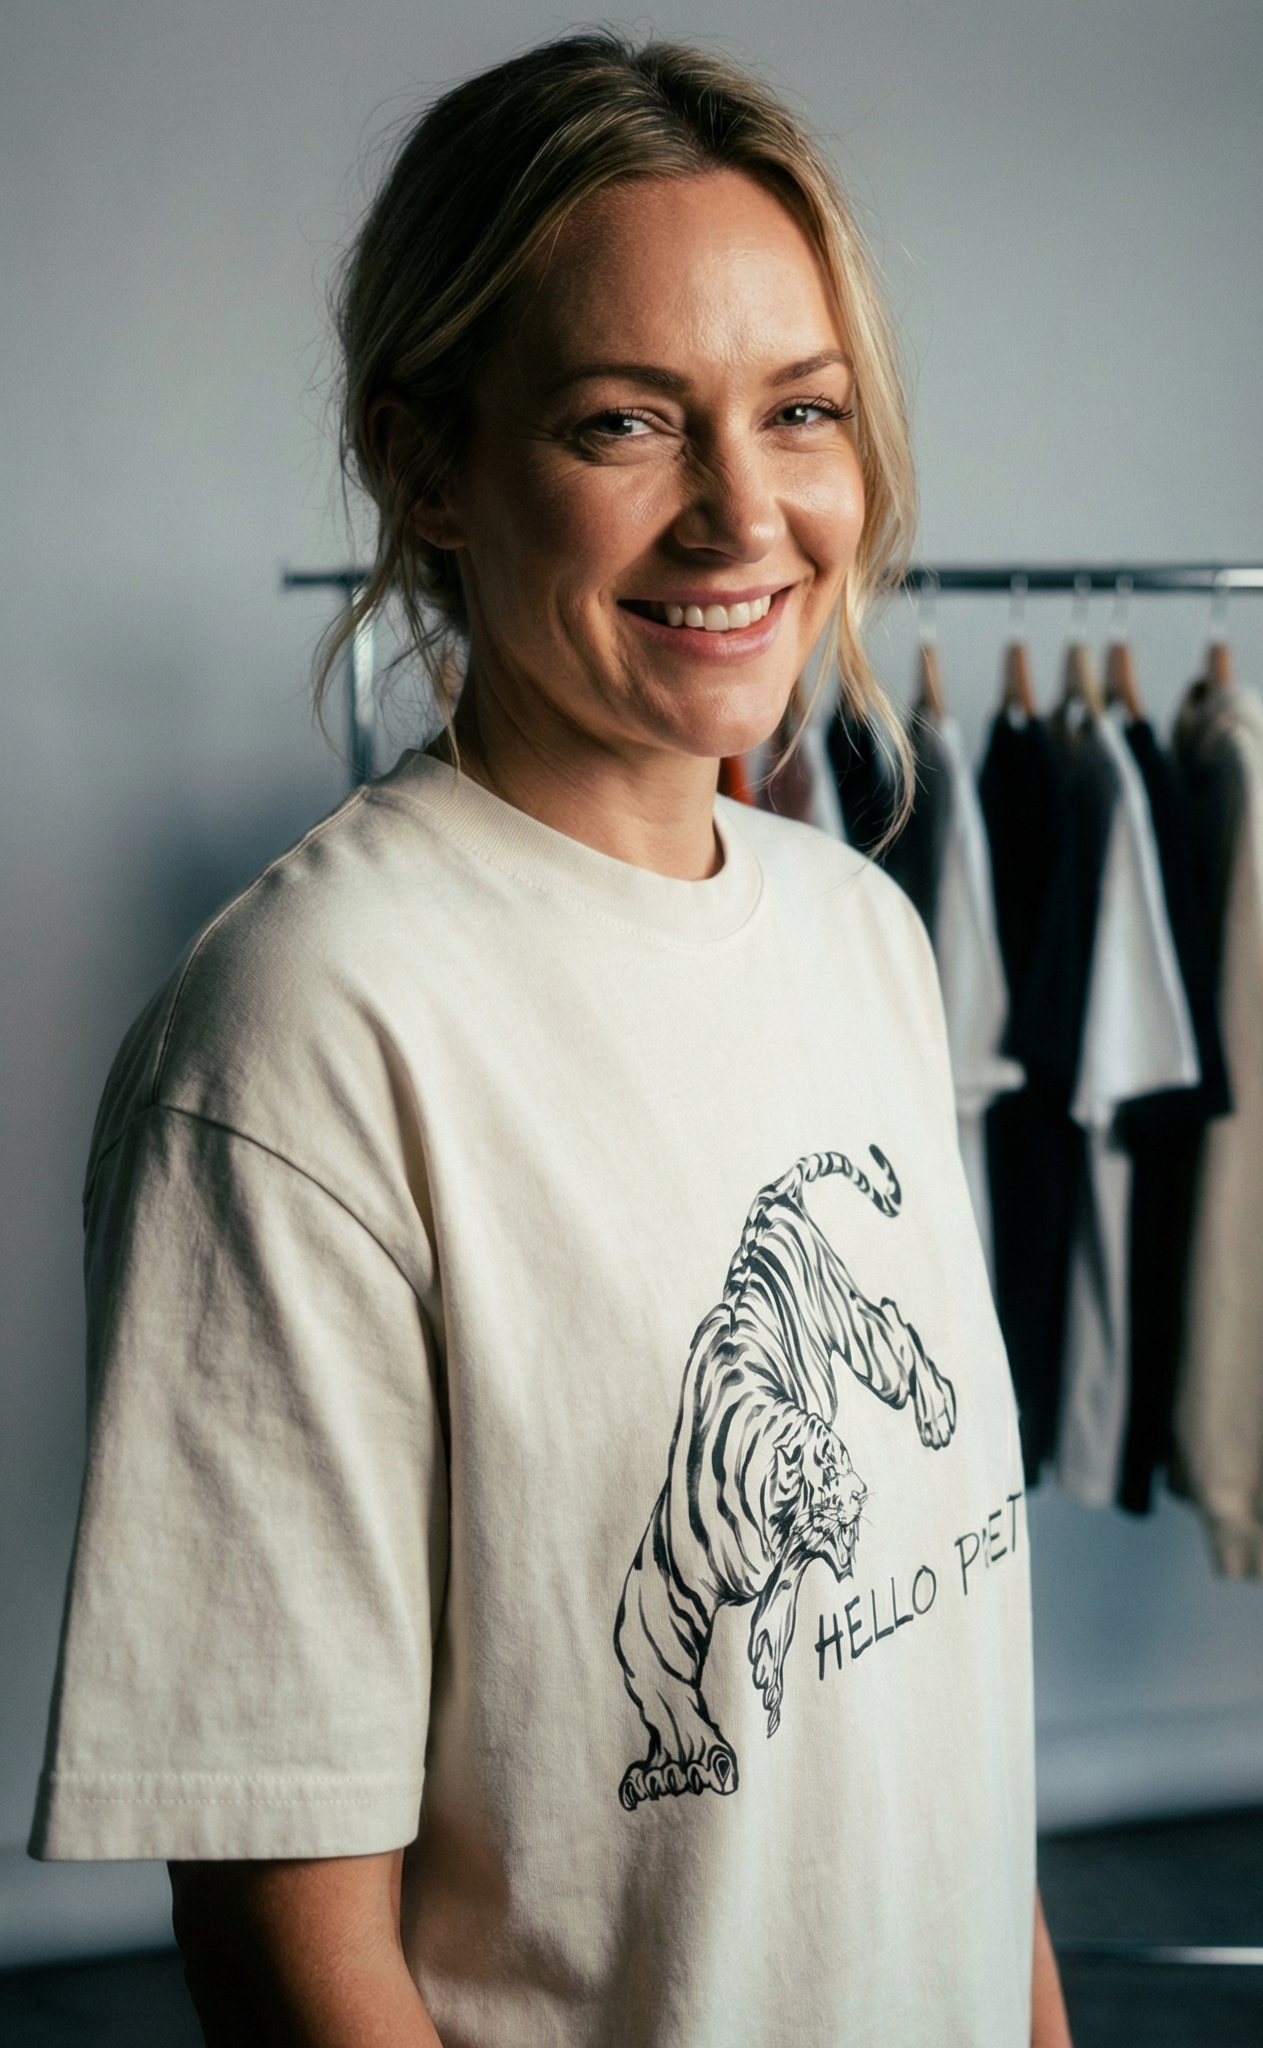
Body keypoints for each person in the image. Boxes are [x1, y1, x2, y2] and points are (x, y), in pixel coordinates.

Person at [32, 33, 1071, 2047]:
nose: (745, 512)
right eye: (626, 422)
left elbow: (927, 1692)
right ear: (426, 462)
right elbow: (292, 1944)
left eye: (805, 413)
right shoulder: (305, 1038)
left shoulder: (863, 932)